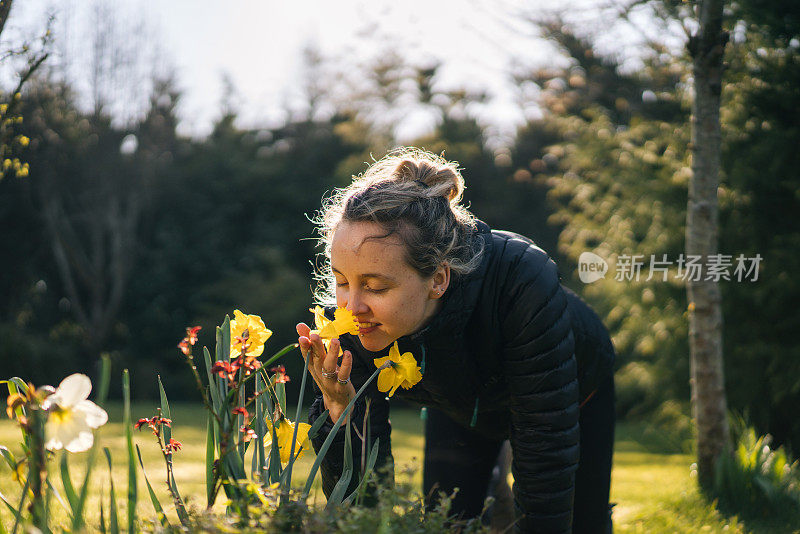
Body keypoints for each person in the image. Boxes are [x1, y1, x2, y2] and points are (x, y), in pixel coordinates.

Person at [296, 148, 615, 534]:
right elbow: (365, 507)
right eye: (342, 281)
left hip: (574, 388)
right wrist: (339, 411)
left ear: (438, 279)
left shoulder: (522, 281)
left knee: (581, 523)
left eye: (375, 286)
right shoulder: (355, 323)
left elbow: (546, 451)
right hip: (460, 401)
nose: (352, 305)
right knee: (447, 524)